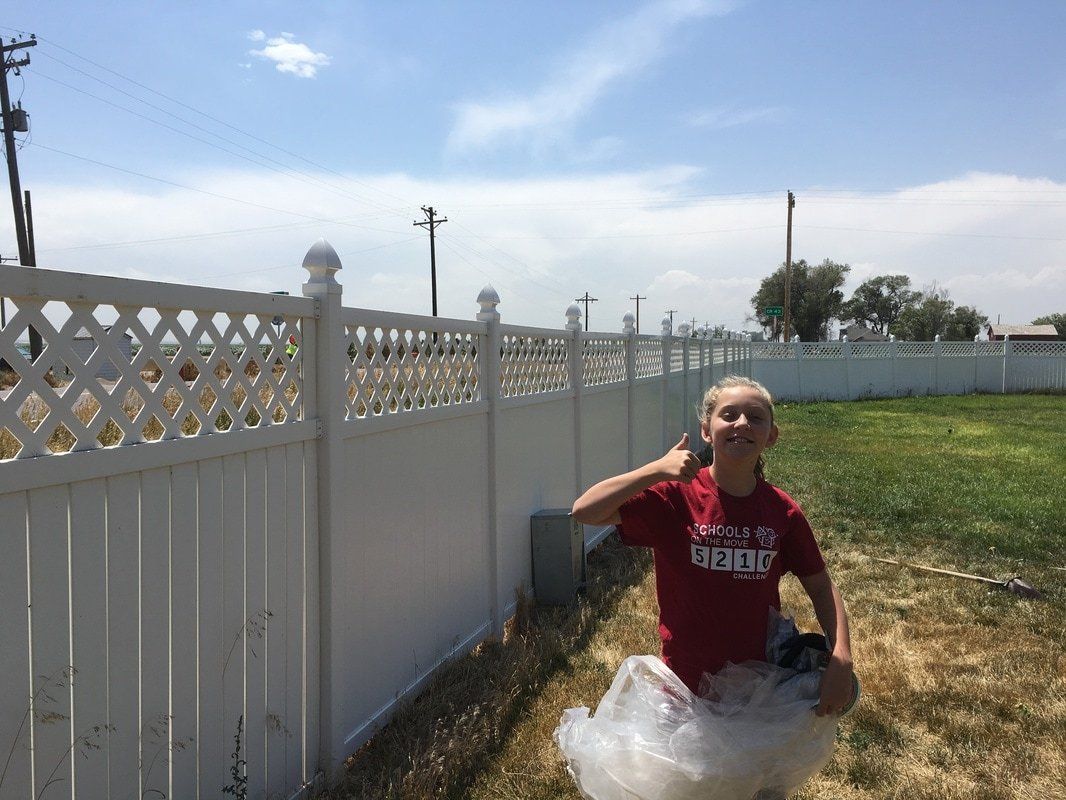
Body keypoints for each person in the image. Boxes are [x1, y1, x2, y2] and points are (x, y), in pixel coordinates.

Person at [572, 375, 853, 716]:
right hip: (685, 683)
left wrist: (841, 656)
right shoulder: (676, 497)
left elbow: (820, 586)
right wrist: (655, 470)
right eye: (729, 415)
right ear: (707, 430)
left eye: (756, 417)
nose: (742, 423)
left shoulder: (781, 510)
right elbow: (585, 511)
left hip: (757, 684)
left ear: (771, 436)